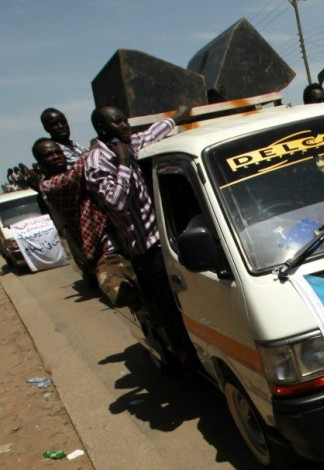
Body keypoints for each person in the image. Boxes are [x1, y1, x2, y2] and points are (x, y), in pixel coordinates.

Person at [85, 104, 198, 371]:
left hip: (164, 241)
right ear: (103, 129)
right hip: (144, 252)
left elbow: (150, 134)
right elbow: (117, 203)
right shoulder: (96, 163)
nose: (126, 126)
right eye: (118, 122)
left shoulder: (129, 142)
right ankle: (187, 360)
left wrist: (176, 117)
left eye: (125, 120)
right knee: (169, 308)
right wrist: (124, 164)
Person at [29, 138, 137, 306]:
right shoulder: (52, 185)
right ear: (40, 163)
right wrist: (96, 146)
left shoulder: (78, 174)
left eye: (58, 152)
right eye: (49, 155)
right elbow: (77, 171)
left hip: (125, 236)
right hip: (104, 247)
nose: (56, 156)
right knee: (118, 284)